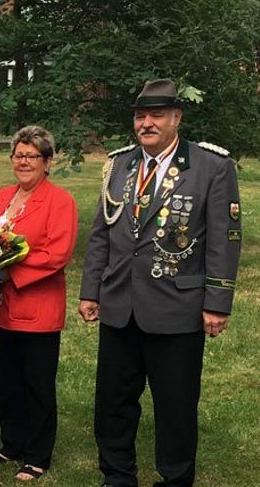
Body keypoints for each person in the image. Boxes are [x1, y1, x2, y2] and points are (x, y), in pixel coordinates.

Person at [78, 79, 241, 487]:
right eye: (140, 116)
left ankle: (175, 479)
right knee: (113, 403)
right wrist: (90, 290)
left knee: (175, 404)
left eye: (156, 116)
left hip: (176, 306)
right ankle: (116, 476)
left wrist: (217, 302)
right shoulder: (118, 165)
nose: (146, 124)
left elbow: (223, 238)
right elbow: (102, 233)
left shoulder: (211, 167)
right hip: (119, 303)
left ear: (176, 118)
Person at [0, 126, 78, 481]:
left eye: (32, 156)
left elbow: (57, 254)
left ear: (47, 162)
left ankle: (37, 455)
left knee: (37, 384)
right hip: (3, 309)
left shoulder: (59, 201)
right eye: (18, 155)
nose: (23, 161)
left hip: (37, 308)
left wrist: (10, 272)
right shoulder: (2, 196)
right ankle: (11, 444)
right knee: (8, 381)